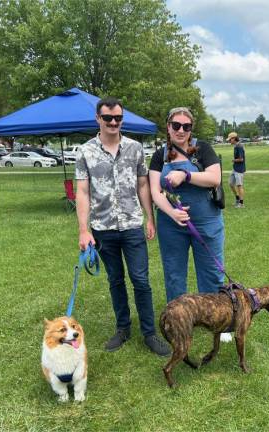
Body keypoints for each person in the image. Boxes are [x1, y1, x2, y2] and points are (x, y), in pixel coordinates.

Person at [75, 97, 170, 356]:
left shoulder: (135, 148)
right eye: (108, 118)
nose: (114, 122)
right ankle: (123, 328)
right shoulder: (85, 151)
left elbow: (142, 186)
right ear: (98, 119)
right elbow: (82, 192)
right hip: (103, 227)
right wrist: (84, 230)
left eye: (118, 118)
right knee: (115, 280)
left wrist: (150, 218)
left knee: (140, 279)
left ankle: (149, 333)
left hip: (131, 225)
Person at [149, 107, 232, 343]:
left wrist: (185, 176)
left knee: (212, 273)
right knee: (174, 273)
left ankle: (218, 319)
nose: (181, 130)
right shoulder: (159, 155)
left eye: (186, 126)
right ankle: (178, 319)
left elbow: (214, 178)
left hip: (206, 220)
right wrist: (172, 213)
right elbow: (155, 191)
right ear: (168, 126)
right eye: (176, 125)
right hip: (171, 222)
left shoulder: (203, 149)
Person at [227, 131, 246, 208]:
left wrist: (234, 160)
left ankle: (241, 204)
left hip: (239, 169)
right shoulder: (236, 146)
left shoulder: (239, 146)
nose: (229, 141)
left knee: (239, 185)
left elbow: (241, 159)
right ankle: (237, 198)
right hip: (235, 168)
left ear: (234, 138)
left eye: (230, 139)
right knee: (231, 183)